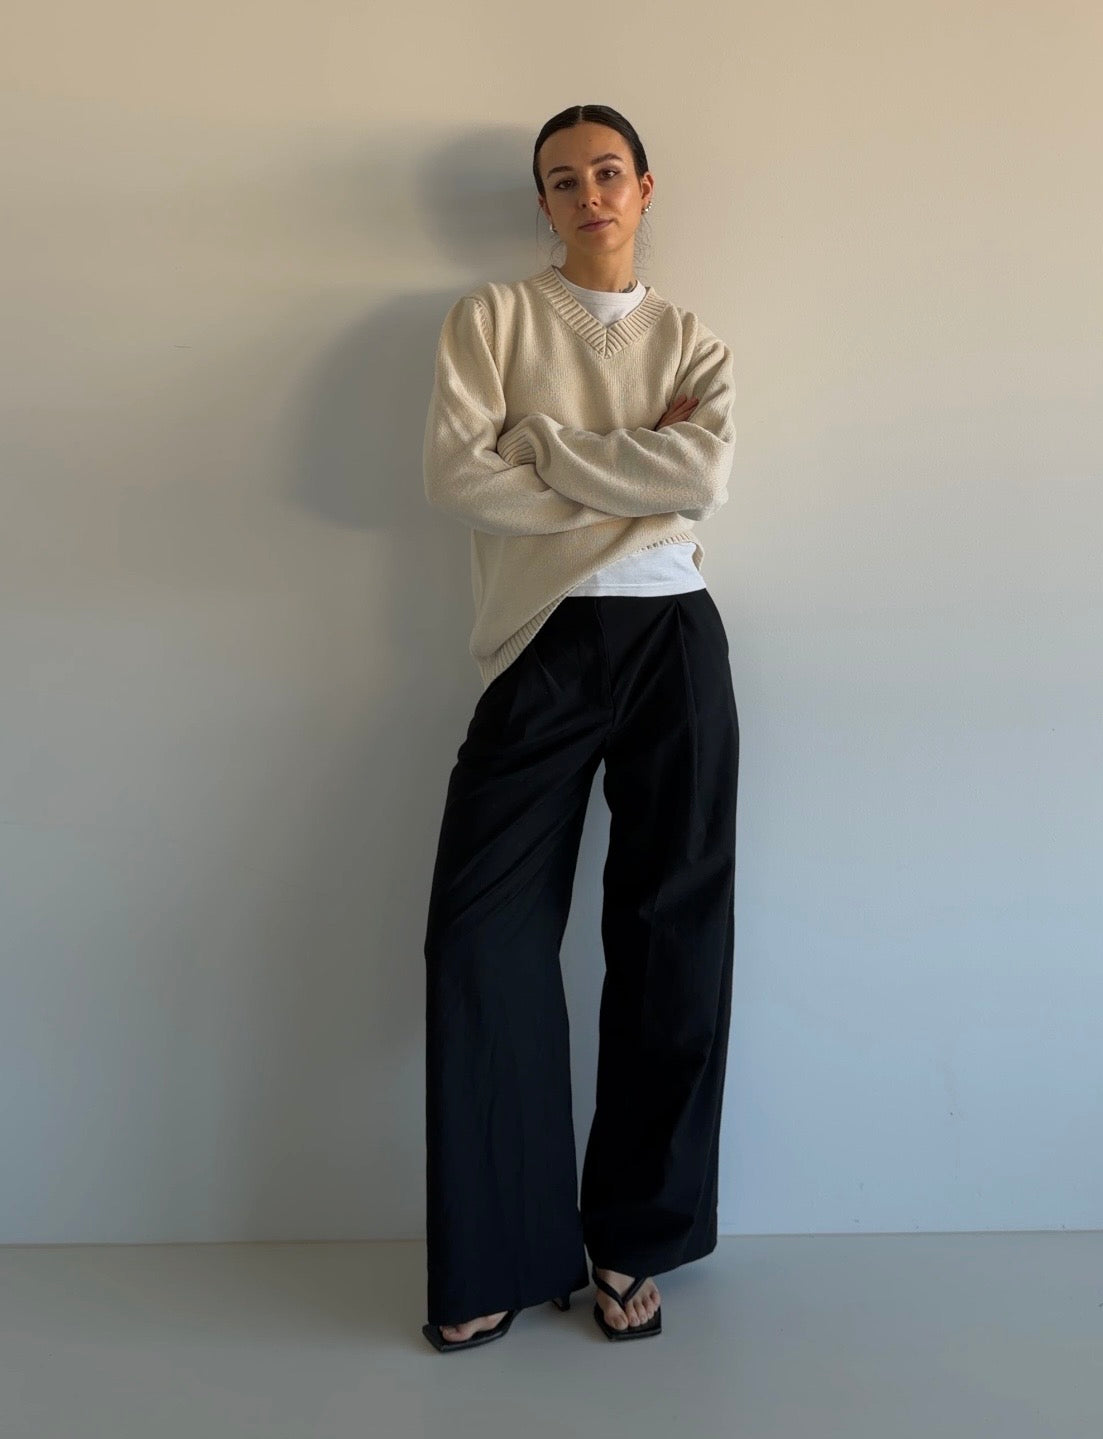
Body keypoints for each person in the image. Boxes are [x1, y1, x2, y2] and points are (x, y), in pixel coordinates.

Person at [419, 103, 739, 1352]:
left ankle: (631, 1237)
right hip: (538, 646)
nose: (588, 192)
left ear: (644, 187)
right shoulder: (491, 319)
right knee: (479, 936)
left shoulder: (691, 337)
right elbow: (458, 475)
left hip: (674, 639)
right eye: (563, 179)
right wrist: (630, 471)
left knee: (671, 936)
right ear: (542, 202)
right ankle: (499, 1248)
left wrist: (542, 447)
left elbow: (702, 476)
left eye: (608, 171)